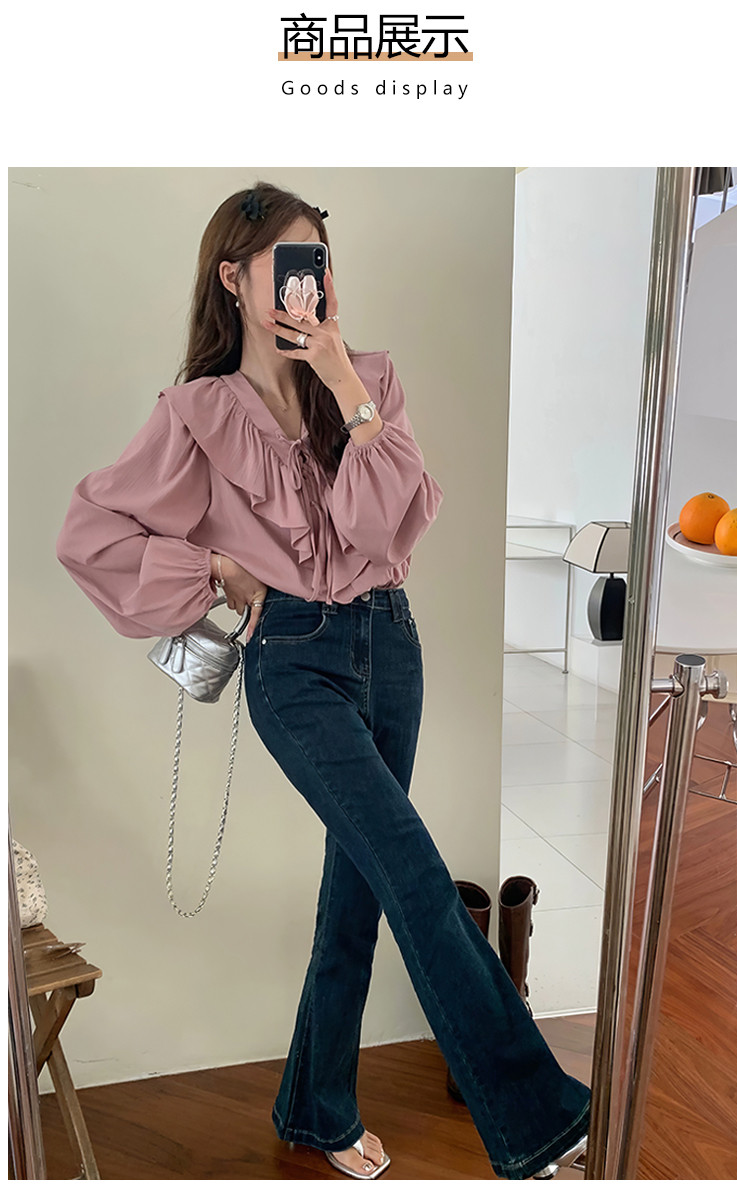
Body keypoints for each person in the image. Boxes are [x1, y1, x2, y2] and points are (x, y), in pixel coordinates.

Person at [55, 181, 591, 1180]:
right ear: (233, 277)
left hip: (392, 641)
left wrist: (343, 376)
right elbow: (88, 535)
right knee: (415, 875)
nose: (312, 283)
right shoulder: (196, 413)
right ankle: (539, 1118)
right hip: (293, 659)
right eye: (289, 263)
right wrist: (215, 566)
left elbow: (381, 529)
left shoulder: (367, 380)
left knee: (361, 890)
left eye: (321, 263)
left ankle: (317, 1108)